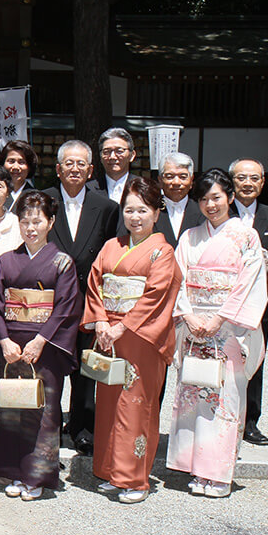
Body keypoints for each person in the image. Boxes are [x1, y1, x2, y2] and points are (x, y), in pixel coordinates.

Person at [168, 168, 267, 498]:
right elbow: (177, 279)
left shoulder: (246, 237)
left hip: (227, 331)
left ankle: (219, 475)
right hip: (194, 327)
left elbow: (249, 284)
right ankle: (196, 469)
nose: (210, 205)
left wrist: (220, 319)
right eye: (204, 199)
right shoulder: (189, 237)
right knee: (194, 398)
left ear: (230, 198)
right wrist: (189, 315)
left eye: (216, 198)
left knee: (225, 400)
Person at [82, 178, 182, 503]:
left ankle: (135, 479)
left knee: (136, 407)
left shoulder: (163, 252)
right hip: (109, 335)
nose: (135, 217)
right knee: (109, 406)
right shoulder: (112, 246)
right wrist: (99, 320)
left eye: (142, 210)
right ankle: (112, 472)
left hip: (140, 339)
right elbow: (95, 282)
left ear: (156, 212)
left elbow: (156, 295)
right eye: (129, 210)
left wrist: (121, 326)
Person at [0, 191, 80, 501]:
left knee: (43, 410)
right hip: (12, 344)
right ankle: (13, 471)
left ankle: (36, 476)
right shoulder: (5, 260)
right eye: (25, 221)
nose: (30, 227)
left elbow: (66, 307)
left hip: (45, 345)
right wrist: (3, 340)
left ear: (50, 222)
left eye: (37, 221)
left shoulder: (62, 262)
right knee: (12, 408)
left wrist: (41, 340)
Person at [43, 139, 119, 455]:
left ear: (90, 170)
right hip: (49, 299)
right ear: (58, 169)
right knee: (48, 364)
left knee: (87, 368)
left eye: (81, 164)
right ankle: (46, 426)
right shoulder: (43, 201)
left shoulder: (106, 207)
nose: (75, 169)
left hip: (90, 298)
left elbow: (112, 255)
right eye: (68, 163)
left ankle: (83, 427)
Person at [230, 157, 268, 447]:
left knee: (254, 362)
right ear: (233, 182)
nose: (248, 183)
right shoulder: (219, 212)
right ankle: (222, 417)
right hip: (222, 304)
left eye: (254, 178)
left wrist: (252, 289)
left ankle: (250, 422)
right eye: (242, 178)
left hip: (258, 304)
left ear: (263, 182)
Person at [155, 151, 203, 248]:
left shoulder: (202, 212)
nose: (176, 182)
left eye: (183, 177)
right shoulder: (151, 210)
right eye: (170, 176)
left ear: (191, 180)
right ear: (160, 180)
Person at [91, 127, 138, 206]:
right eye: (107, 152)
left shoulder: (142, 188)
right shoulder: (89, 190)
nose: (112, 157)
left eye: (119, 151)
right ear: (100, 156)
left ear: (132, 155)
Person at [0, 139, 38, 207]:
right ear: (2, 164)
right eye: (11, 161)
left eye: (21, 162)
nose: (16, 167)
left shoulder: (37, 198)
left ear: (29, 167)